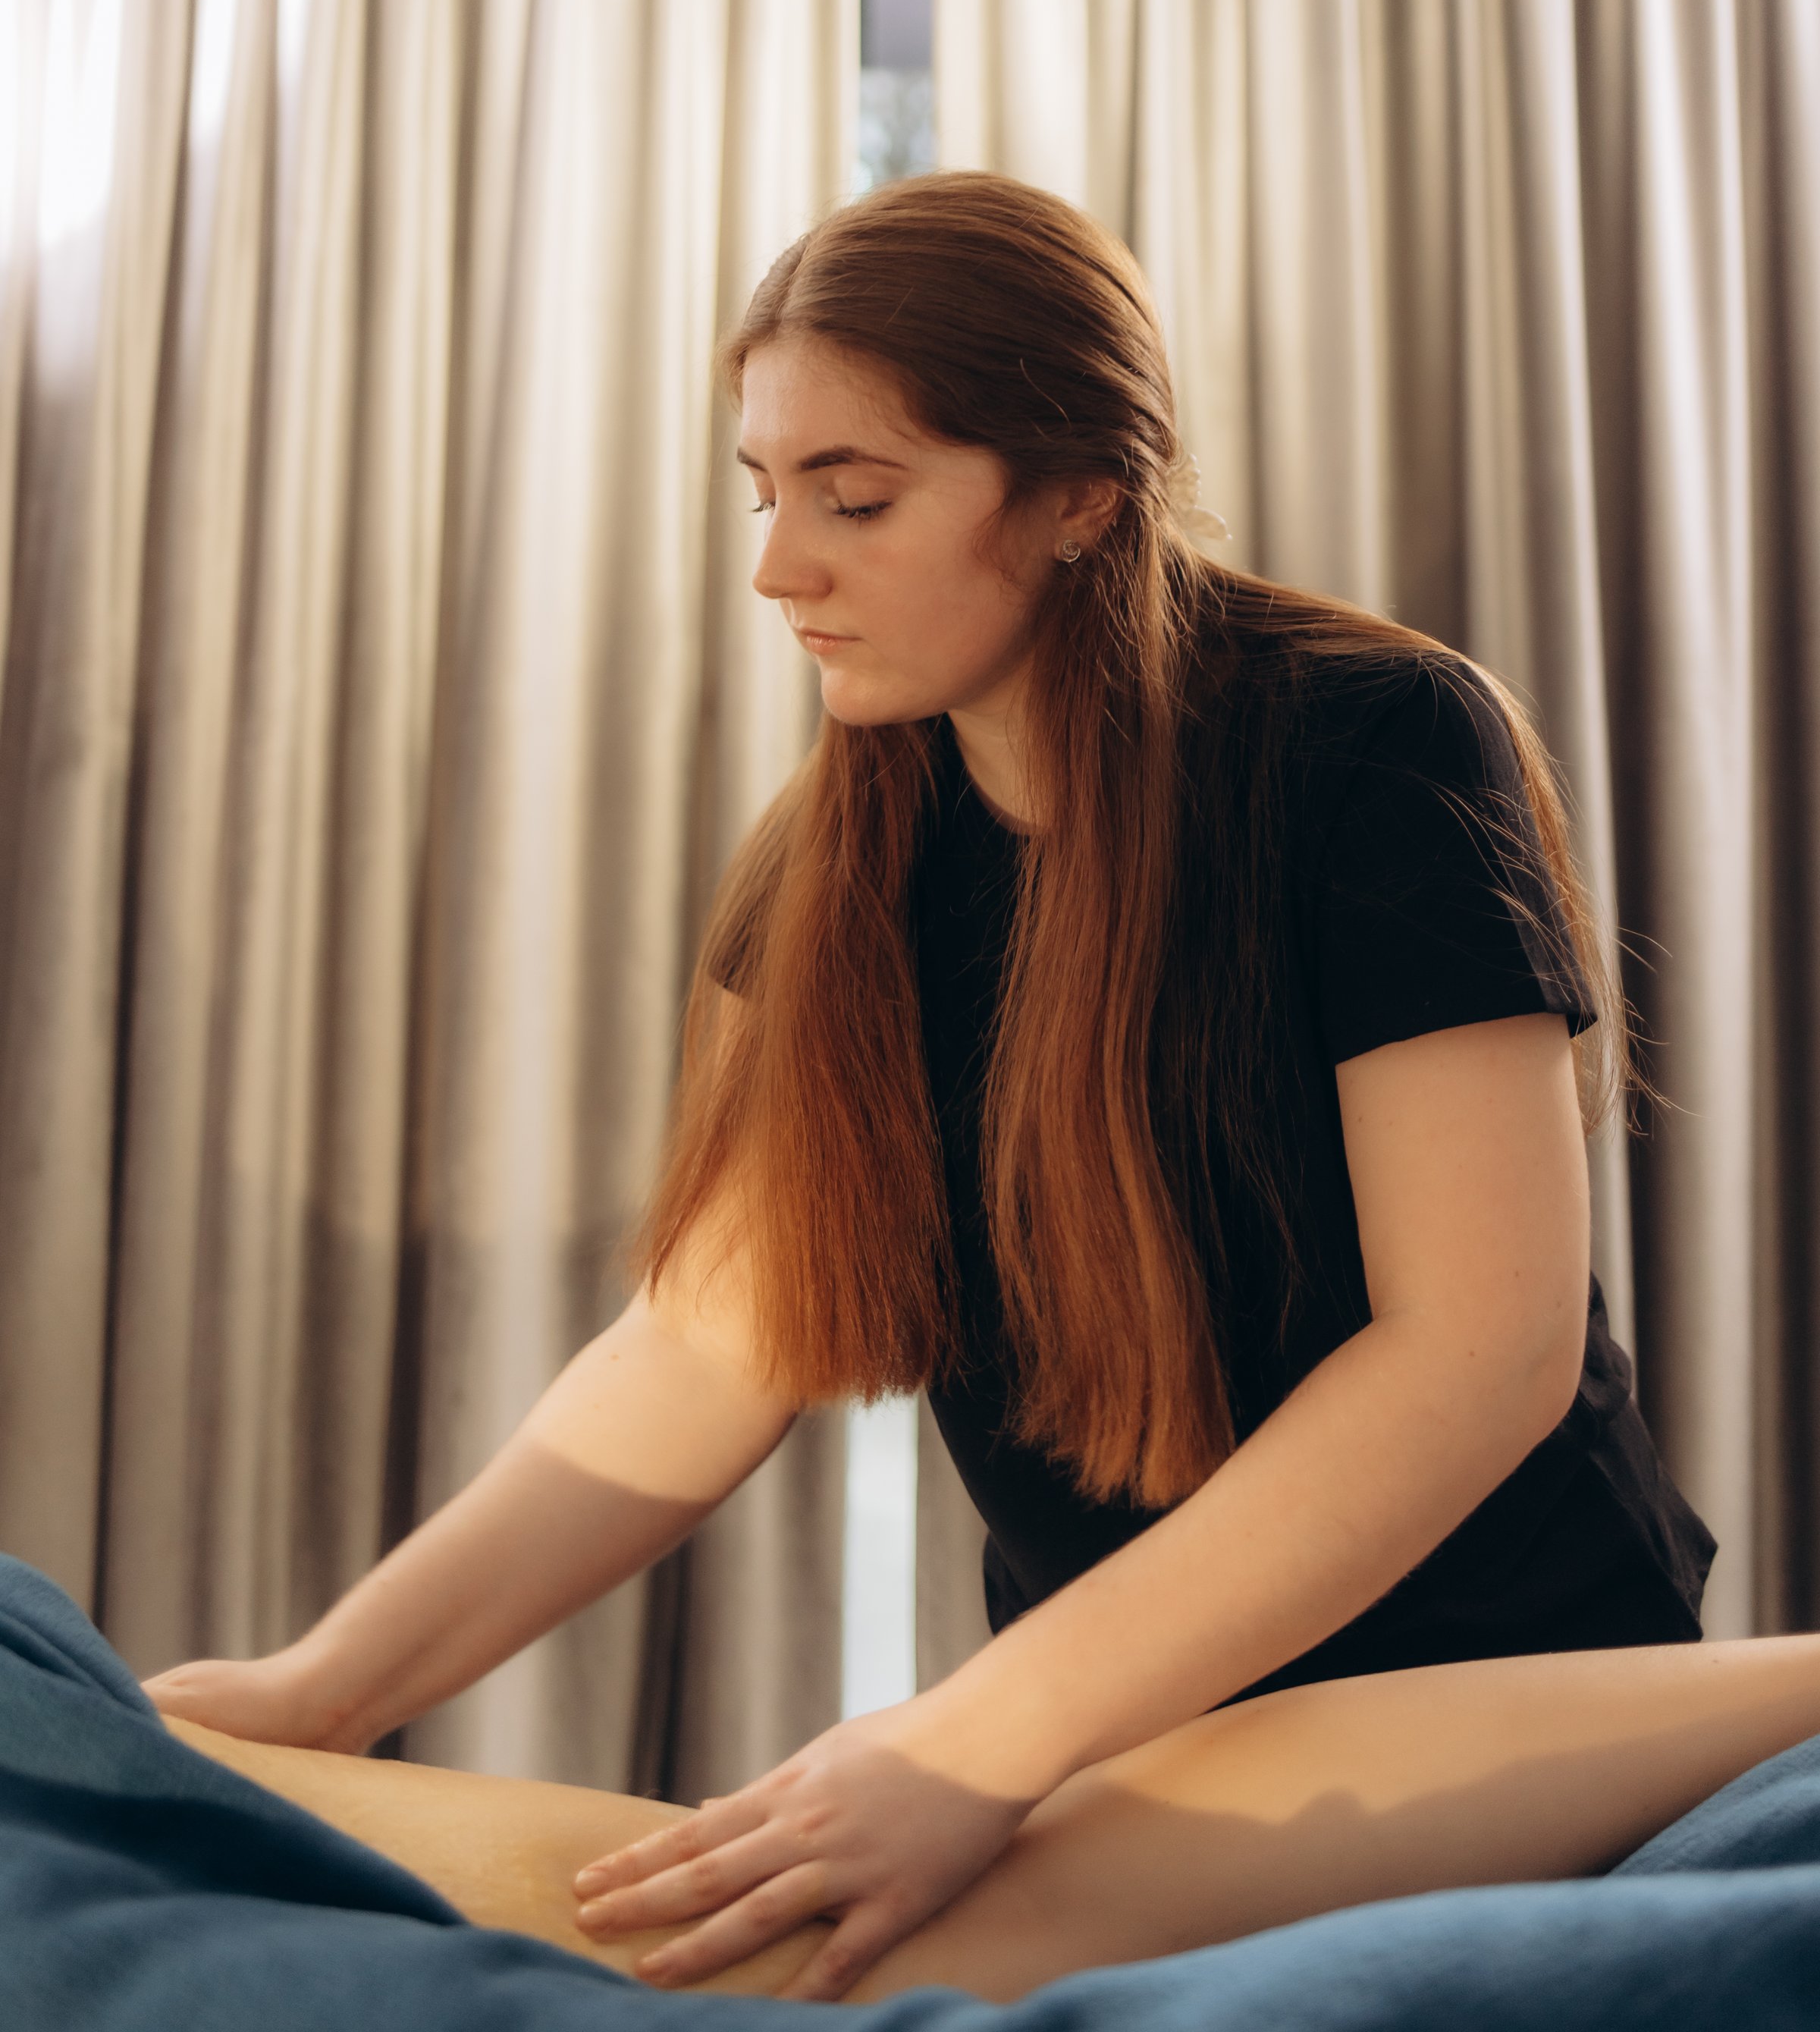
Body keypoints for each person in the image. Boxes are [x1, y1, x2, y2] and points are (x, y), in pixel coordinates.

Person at [146, 171, 1724, 2005]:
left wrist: (975, 1740)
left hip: (1499, 1678)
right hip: (1119, 1730)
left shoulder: (1372, 745)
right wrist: (318, 1693)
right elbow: (705, 1345)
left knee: (791, 1965)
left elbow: (1481, 1358)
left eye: (856, 496)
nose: (776, 566)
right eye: (764, 490)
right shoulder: (830, 872)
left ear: (1077, 495)